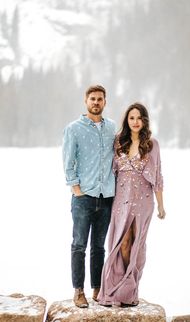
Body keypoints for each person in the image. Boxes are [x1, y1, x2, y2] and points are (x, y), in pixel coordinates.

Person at [98, 102, 166, 307]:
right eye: (132, 118)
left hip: (143, 201)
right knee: (122, 244)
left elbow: (158, 175)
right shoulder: (119, 142)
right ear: (127, 121)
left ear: (144, 121)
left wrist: (161, 206)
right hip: (121, 201)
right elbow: (109, 171)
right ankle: (118, 287)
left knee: (137, 246)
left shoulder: (152, 144)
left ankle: (130, 291)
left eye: (139, 118)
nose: (135, 122)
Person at [62, 85, 116, 308]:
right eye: (92, 99)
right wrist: (76, 189)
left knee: (99, 247)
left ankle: (97, 288)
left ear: (105, 102)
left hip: (106, 198)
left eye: (100, 99)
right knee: (79, 245)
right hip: (83, 198)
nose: (96, 102)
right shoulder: (74, 128)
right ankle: (78, 291)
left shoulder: (112, 127)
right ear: (86, 101)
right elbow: (68, 162)